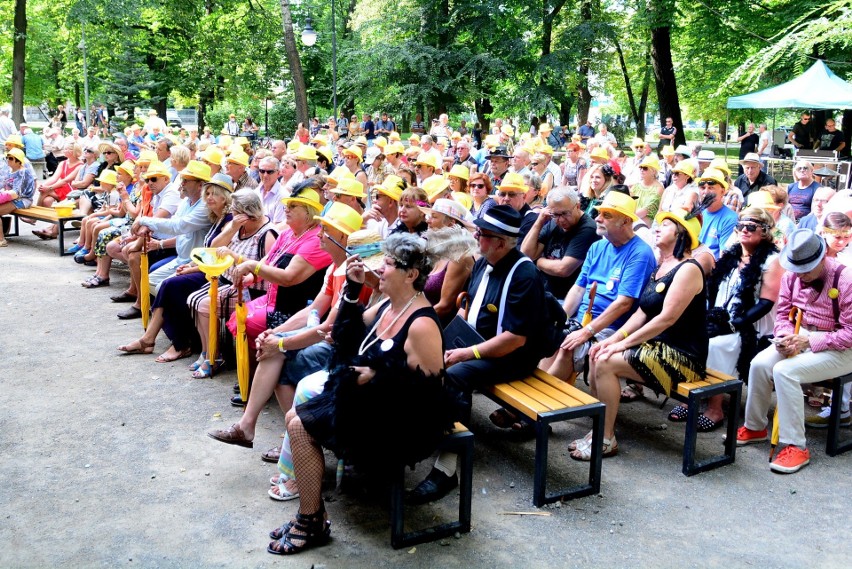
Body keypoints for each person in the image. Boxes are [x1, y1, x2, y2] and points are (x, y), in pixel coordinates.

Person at [264, 233, 447, 555]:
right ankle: (312, 515)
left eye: (387, 264)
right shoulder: (388, 307)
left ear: (411, 274)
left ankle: (311, 519)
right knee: (296, 416)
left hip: (402, 421)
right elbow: (344, 336)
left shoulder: (421, 324)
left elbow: (430, 394)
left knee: (298, 424)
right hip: (373, 403)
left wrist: (379, 376)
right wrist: (350, 289)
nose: (379, 269)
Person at [408, 205, 548, 504]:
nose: (475, 238)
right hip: (474, 341)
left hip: (511, 356)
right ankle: (425, 431)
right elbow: (468, 305)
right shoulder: (485, 262)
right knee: (418, 356)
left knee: (454, 376)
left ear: (500, 242)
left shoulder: (525, 274)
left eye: (482, 235)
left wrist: (465, 353)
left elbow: (515, 339)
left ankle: (447, 468)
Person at [577, 204, 708, 459]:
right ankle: (600, 428)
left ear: (681, 233)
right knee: (598, 352)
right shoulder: (662, 265)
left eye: (666, 225)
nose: (657, 228)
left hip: (683, 357)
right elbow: (641, 313)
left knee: (605, 362)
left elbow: (665, 319)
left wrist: (621, 346)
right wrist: (613, 340)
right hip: (657, 348)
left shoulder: (688, 268)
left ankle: (606, 438)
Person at [737, 229, 852, 474]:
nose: (801, 275)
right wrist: (783, 337)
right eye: (797, 269)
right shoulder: (792, 275)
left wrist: (809, 342)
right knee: (758, 364)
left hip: (842, 348)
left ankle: (796, 446)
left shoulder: (846, 279)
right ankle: (755, 426)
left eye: (807, 269)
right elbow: (782, 315)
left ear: (822, 259)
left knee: (785, 371)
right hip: (802, 336)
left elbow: (850, 335)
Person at [668, 207, 782, 429]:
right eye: (740, 226)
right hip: (721, 316)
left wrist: (732, 325)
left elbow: (765, 303)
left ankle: (715, 407)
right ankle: (690, 396)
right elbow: (714, 288)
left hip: (752, 325)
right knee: (691, 336)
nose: (744, 230)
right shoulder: (731, 253)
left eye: (751, 227)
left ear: (765, 231)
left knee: (719, 344)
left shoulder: (771, 260)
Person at [544, 191, 656, 386]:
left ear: (626, 221)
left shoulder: (640, 253)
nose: (598, 218)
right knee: (548, 337)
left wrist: (586, 331)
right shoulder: (597, 247)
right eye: (599, 213)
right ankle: (528, 404)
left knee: (567, 347)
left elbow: (623, 304)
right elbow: (578, 289)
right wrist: (560, 319)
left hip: (613, 328)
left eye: (607, 215)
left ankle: (532, 406)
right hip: (584, 320)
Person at [520, 186, 599, 298]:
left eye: (565, 213)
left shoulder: (588, 228)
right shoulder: (553, 222)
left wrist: (538, 260)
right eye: (555, 215)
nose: (560, 219)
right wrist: (539, 222)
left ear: (578, 206)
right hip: (543, 291)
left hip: (566, 298)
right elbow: (527, 253)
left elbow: (563, 269)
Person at [697, 168, 738, 260]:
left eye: (711, 188)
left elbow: (723, 256)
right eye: (703, 188)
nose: (706, 192)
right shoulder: (697, 213)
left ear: (723, 192)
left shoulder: (730, 219)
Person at [0, 148, 36, 247]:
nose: (8, 160)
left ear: (18, 161)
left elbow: (16, 192)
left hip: (23, 200)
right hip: (12, 198)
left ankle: (1, 240)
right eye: (7, 157)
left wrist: (4, 195)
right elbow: (2, 184)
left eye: (11, 158)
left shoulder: (22, 172)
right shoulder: (10, 170)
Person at [630, 156, 664, 227]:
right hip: (631, 219)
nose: (642, 170)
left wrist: (628, 218)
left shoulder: (659, 188)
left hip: (646, 225)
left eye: (645, 168)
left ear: (654, 171)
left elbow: (646, 210)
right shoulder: (636, 186)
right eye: (641, 168)